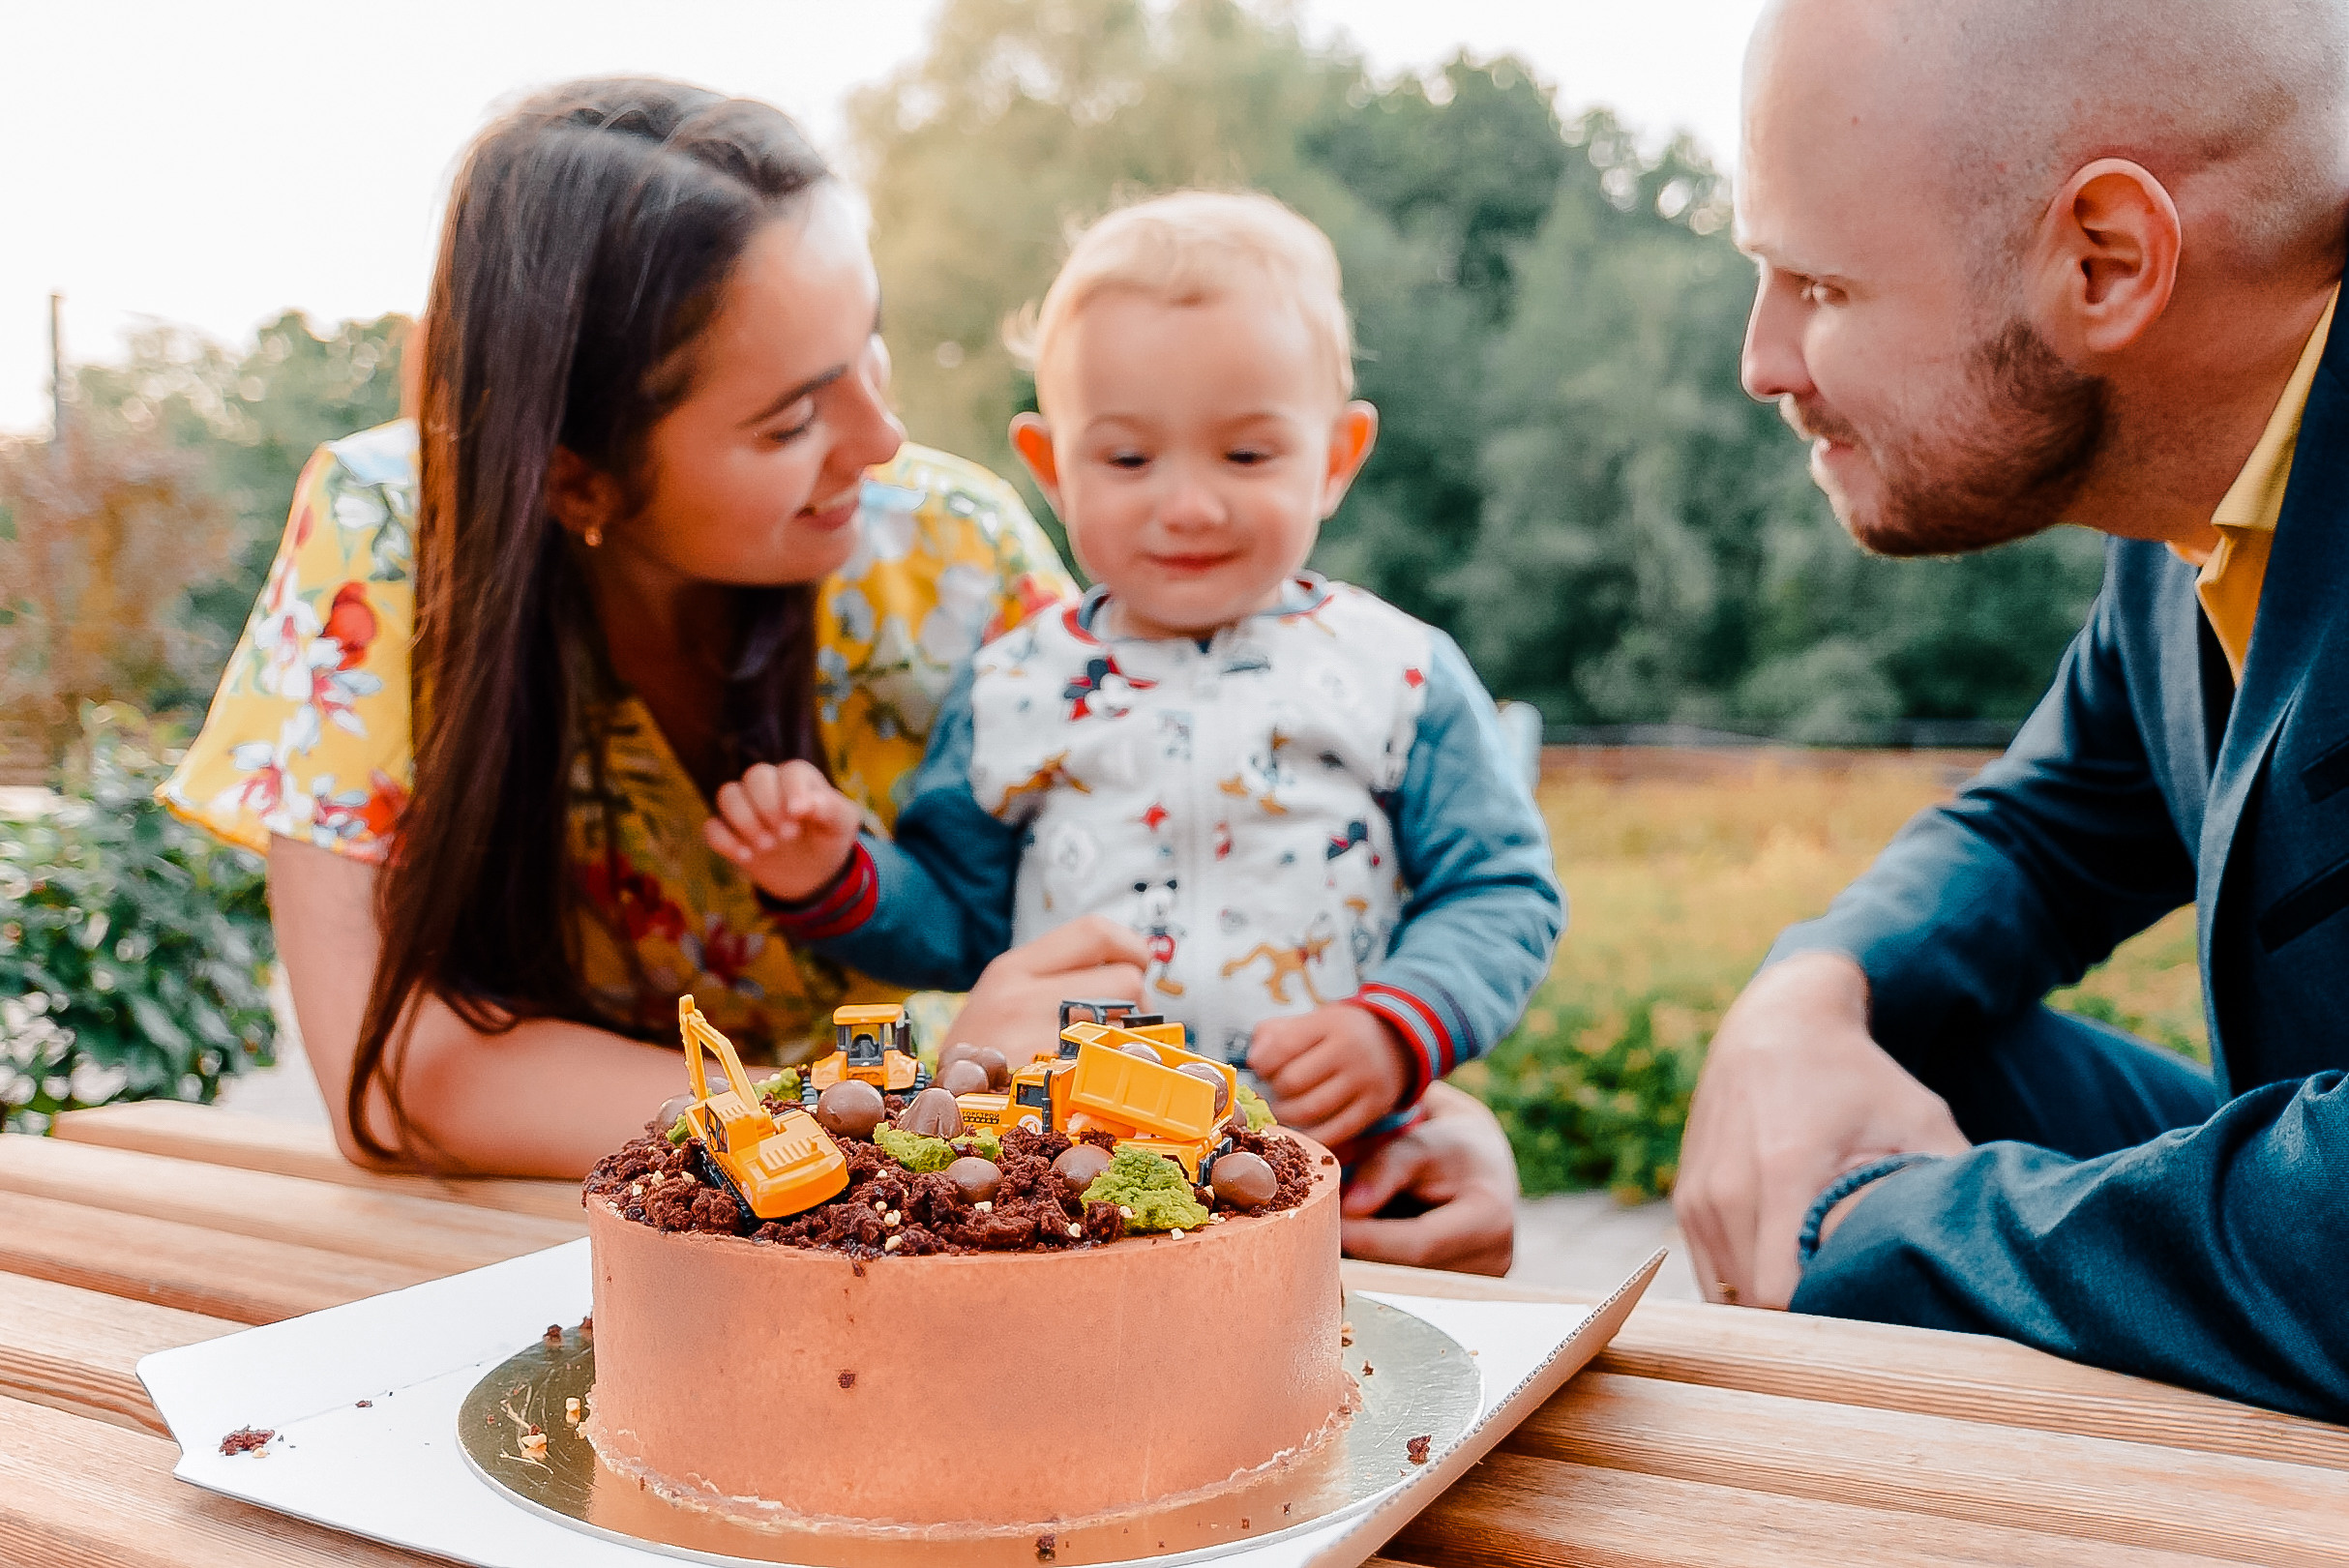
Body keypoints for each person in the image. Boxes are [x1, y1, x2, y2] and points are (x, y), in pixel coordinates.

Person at [157, 78, 1523, 1273]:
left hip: (836, 1246)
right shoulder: (391, 532)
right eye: (794, 414)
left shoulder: (953, 548)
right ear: (576, 476)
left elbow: (1163, 855)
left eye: (866, 344)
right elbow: (399, 1080)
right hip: (499, 1241)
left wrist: (1427, 1114)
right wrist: (900, 1094)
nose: (885, 436)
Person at [1677, 0, 2349, 1419]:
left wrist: (1880, 1227)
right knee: (1893, 1043)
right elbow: (2046, 822)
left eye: (1819, 284)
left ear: (2107, 261)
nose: (1765, 362)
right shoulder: (2190, 517)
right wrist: (1809, 995)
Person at [699, 192, 1563, 1161]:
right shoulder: (1011, 686)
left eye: (1245, 452)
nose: (1187, 504)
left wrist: (1399, 1025)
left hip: (1328, 1160)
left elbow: (1500, 889)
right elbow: (956, 926)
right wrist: (833, 875)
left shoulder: (1399, 673)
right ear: (1050, 466)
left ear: (1335, 457)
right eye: (1127, 456)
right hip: (1079, 1162)